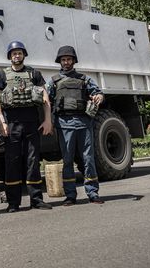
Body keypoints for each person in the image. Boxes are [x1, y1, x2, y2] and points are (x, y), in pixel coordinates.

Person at [0, 40, 54, 212]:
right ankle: (13, 203)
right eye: (14, 54)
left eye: (19, 53)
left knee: (32, 161)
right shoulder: (2, 75)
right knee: (12, 162)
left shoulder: (34, 73)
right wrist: (1, 122)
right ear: (10, 57)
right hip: (11, 124)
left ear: (24, 55)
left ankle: (36, 199)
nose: (17, 56)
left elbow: (45, 98)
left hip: (32, 123)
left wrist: (48, 120)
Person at [46, 45, 105, 205]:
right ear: (60, 61)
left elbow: (97, 92)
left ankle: (93, 193)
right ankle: (70, 195)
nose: (66, 62)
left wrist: (98, 96)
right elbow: (46, 101)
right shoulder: (53, 81)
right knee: (67, 160)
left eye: (69, 59)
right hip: (64, 125)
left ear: (73, 60)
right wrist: (48, 122)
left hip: (84, 123)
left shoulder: (84, 79)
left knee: (88, 159)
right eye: (63, 59)